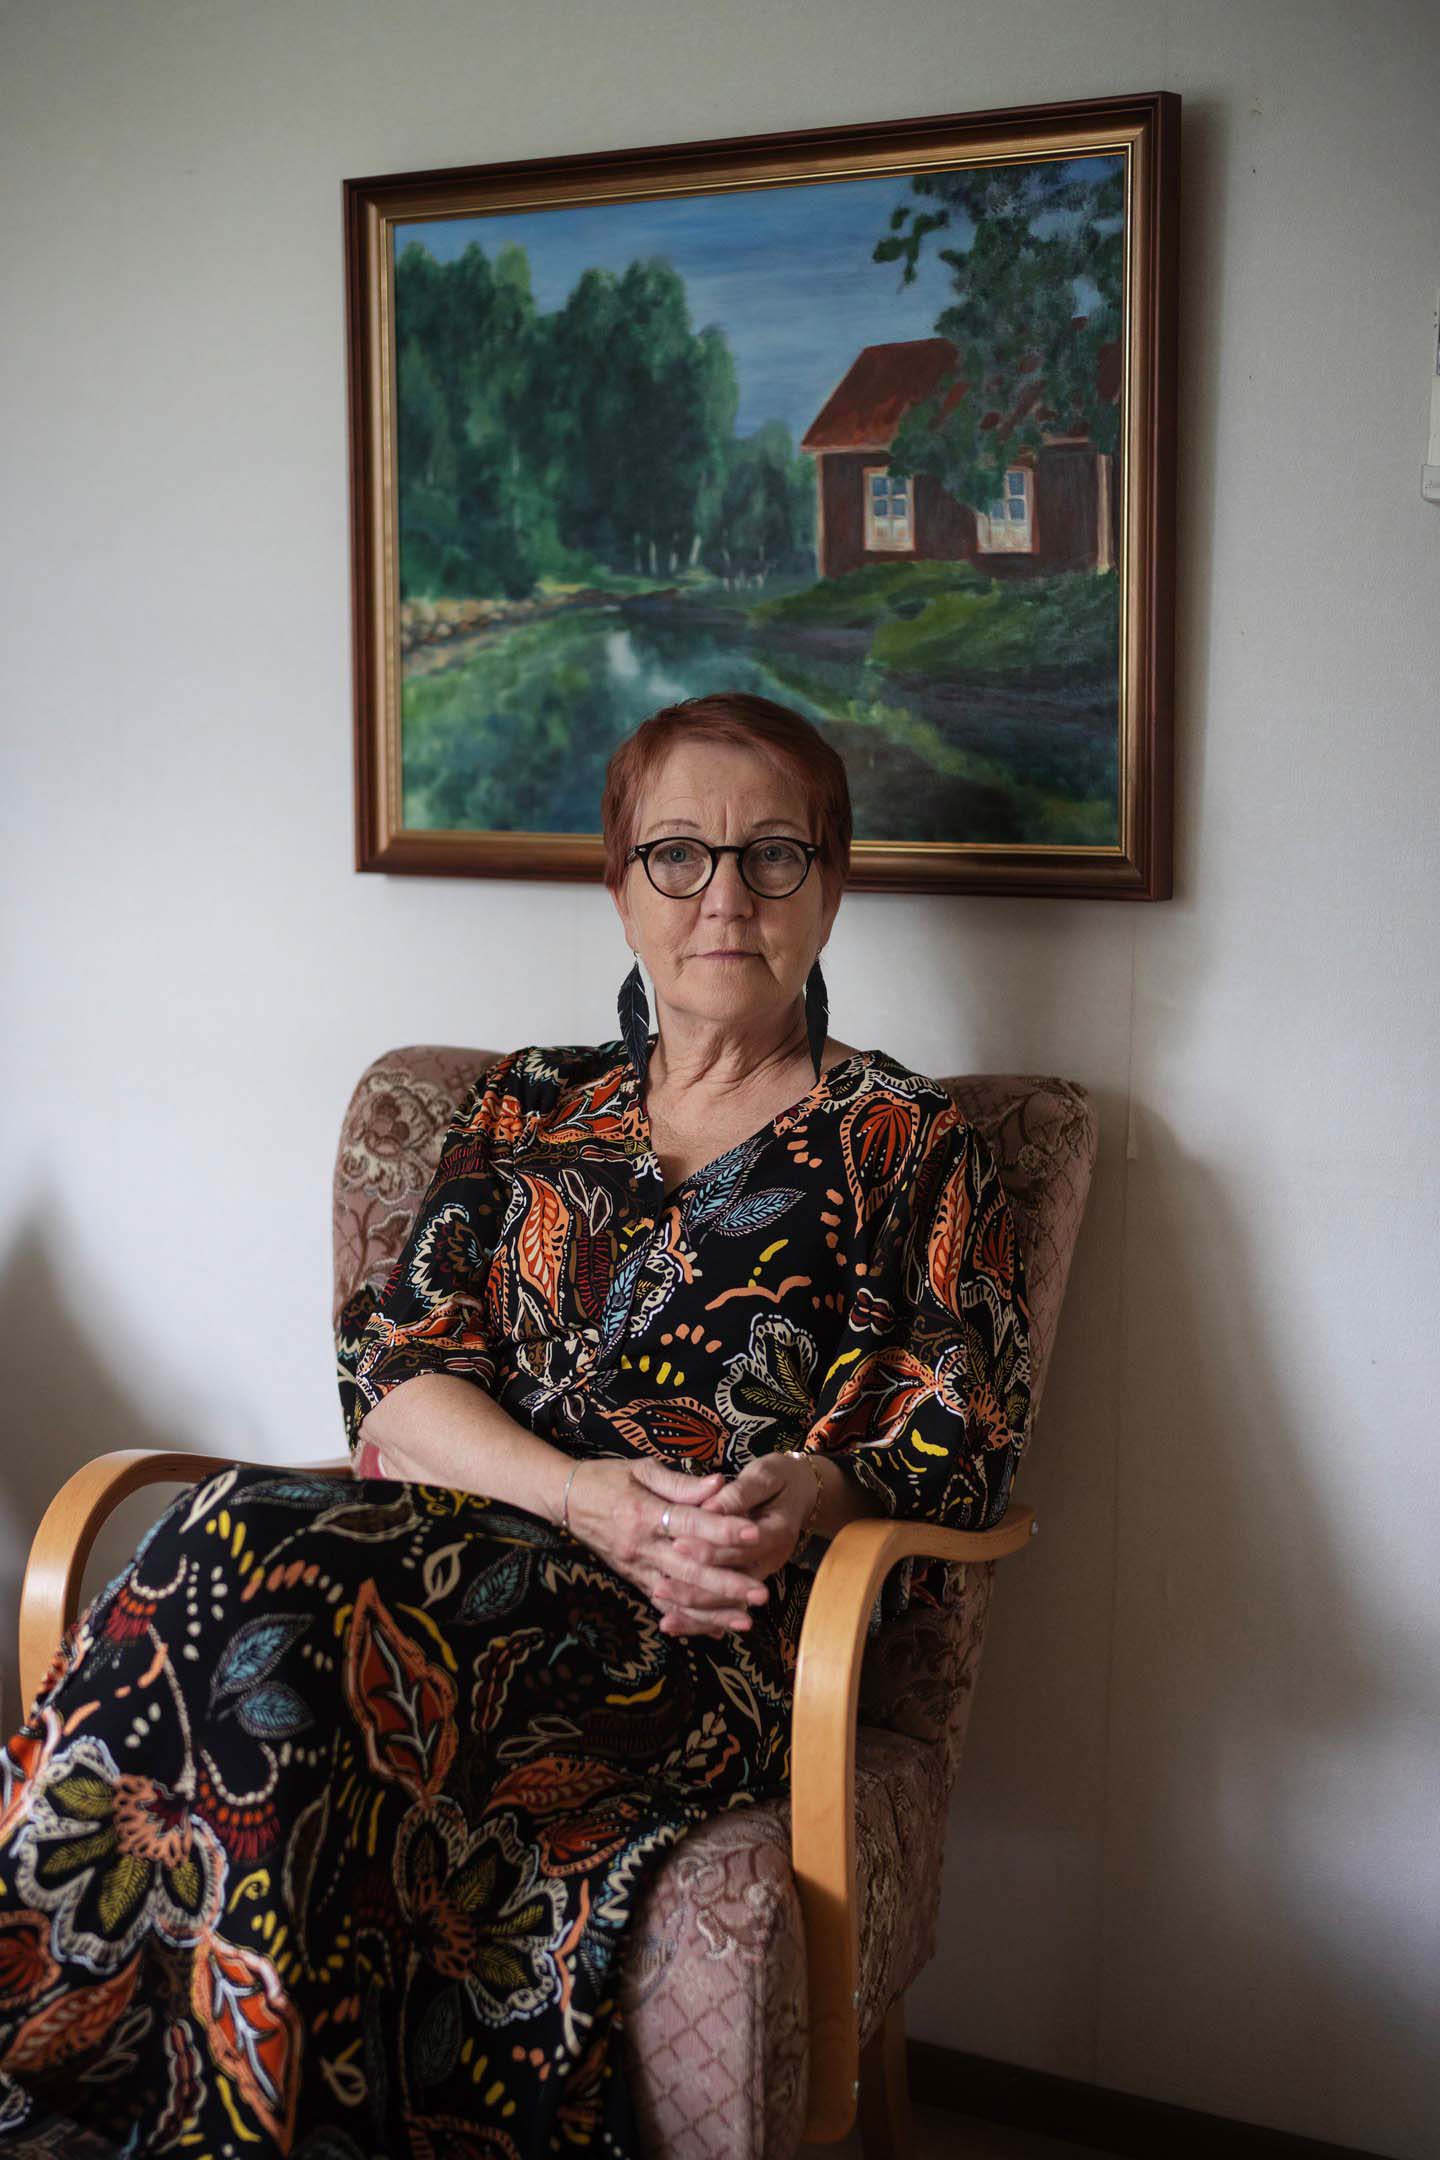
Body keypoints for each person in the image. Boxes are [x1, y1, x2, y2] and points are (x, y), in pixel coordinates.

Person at [0, 691, 1033, 2158]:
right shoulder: (522, 1106)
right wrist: (577, 1495)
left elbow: (955, 1433)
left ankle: (99, 2087)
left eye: (771, 854)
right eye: (677, 854)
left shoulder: (908, 1142)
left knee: (260, 1590)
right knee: (231, 1543)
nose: (724, 896)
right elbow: (398, 1378)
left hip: (697, 1633)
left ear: (832, 883)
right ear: (620, 886)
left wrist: (799, 1495)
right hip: (467, 1551)